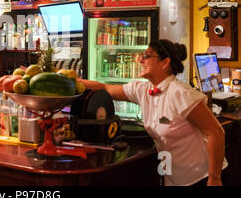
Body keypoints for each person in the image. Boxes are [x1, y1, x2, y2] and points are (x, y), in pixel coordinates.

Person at [78, 39, 226, 186]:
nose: (140, 59)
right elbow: (105, 88)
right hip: (175, 179)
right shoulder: (142, 90)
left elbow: (216, 132)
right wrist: (73, 81)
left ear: (165, 63)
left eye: (147, 55)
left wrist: (215, 178)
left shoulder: (181, 94)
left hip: (202, 177)